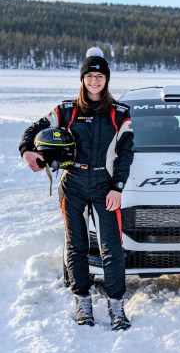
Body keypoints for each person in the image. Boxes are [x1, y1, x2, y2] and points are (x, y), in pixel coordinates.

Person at [19, 47, 134, 330]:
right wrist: (26, 151)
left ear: (106, 80)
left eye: (100, 76)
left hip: (105, 187)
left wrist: (118, 187)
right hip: (73, 186)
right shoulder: (66, 110)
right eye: (90, 76)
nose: (94, 81)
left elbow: (125, 154)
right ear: (82, 79)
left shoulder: (120, 113)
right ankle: (82, 302)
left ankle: (116, 307)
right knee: (77, 245)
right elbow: (33, 130)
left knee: (112, 248)